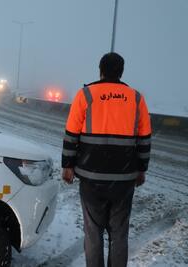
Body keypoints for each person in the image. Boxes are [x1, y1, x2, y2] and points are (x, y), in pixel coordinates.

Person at [61, 52, 151, 267]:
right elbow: (145, 138)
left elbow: (71, 134)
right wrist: (141, 169)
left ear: (100, 70)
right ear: (121, 72)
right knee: (119, 233)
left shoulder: (85, 95)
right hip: (124, 178)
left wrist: (67, 166)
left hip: (91, 177)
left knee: (93, 233)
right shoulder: (136, 98)